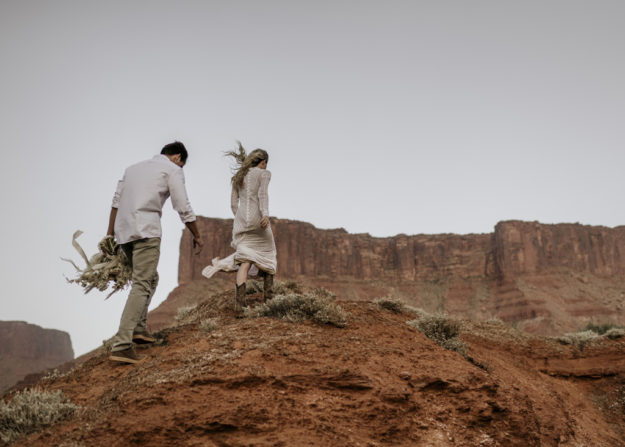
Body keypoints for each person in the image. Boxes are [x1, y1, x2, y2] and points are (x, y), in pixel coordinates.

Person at [106, 141, 203, 364]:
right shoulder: (173, 169)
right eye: (182, 164)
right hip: (146, 231)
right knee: (142, 283)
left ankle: (139, 329)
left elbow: (116, 202)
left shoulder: (132, 169)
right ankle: (121, 345)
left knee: (151, 277)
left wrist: (109, 235)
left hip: (123, 232)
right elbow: (182, 205)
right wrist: (197, 235)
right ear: (178, 157)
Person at [202, 142, 276, 314]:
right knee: (269, 254)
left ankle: (240, 306)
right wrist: (265, 214)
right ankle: (269, 303)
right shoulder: (264, 173)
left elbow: (233, 204)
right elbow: (263, 195)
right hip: (258, 220)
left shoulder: (238, 176)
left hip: (241, 221)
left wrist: (241, 218)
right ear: (263, 162)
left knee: (245, 259)